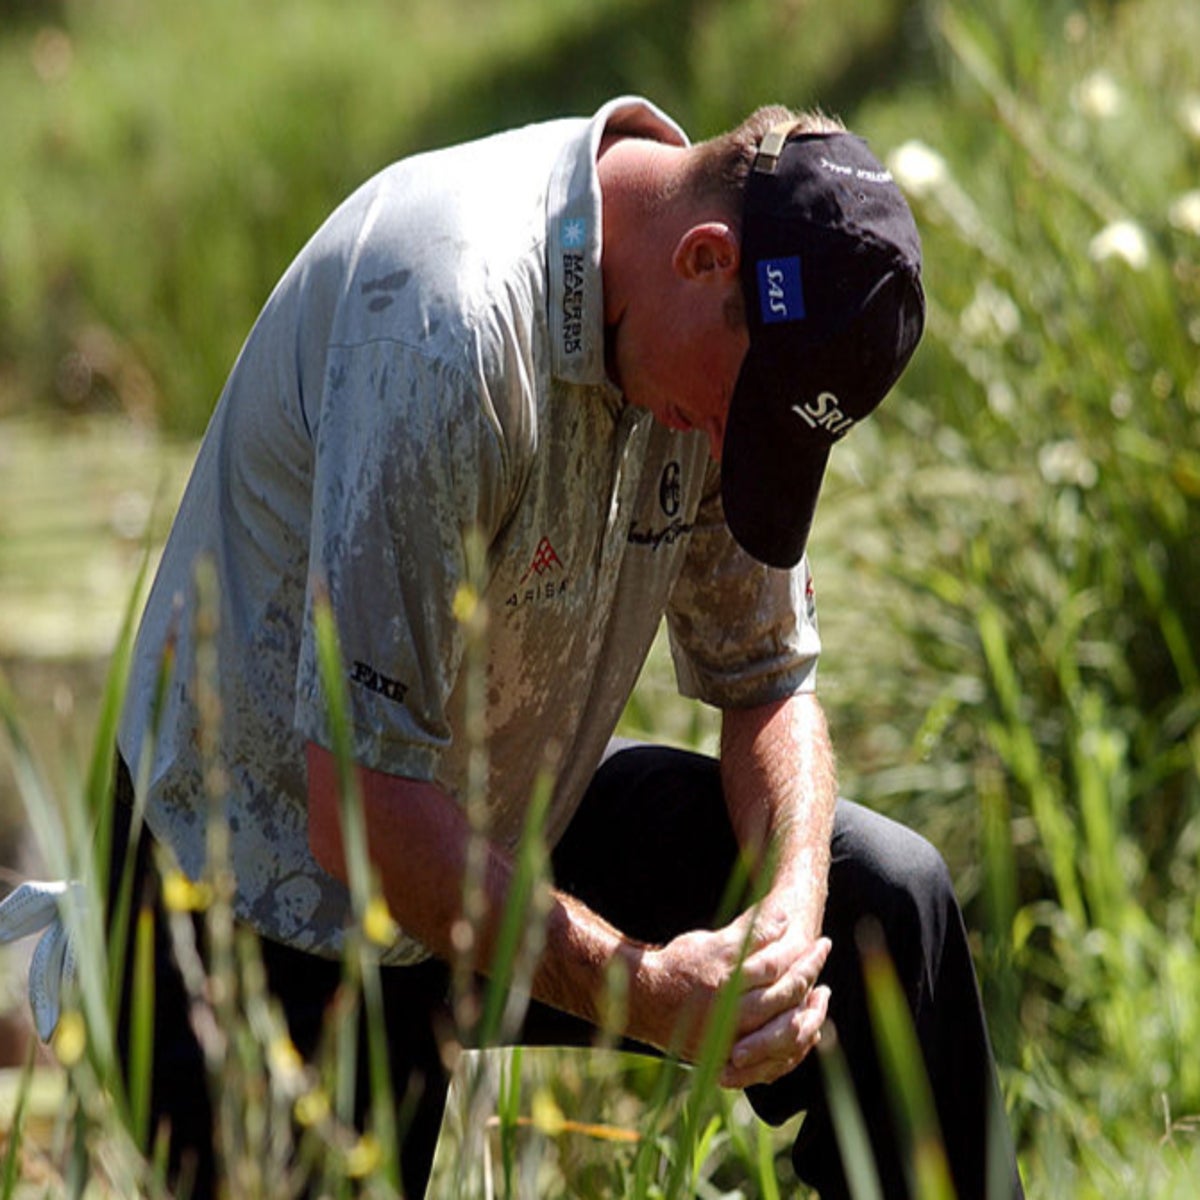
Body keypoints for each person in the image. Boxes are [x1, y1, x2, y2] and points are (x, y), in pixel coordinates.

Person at [40, 96, 1023, 1197]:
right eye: (738, 416)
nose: (723, 447)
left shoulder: (699, 342)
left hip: (497, 819)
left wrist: (787, 914)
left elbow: (768, 686)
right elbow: (359, 814)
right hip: (263, 900)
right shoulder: (444, 326)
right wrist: (643, 991)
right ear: (706, 259)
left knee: (884, 905)